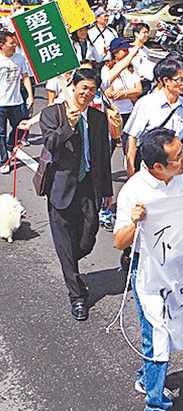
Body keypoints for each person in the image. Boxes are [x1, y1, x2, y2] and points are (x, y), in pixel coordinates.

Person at [113, 125, 183, 411]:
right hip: (149, 271)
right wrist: (135, 223)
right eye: (178, 158)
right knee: (158, 338)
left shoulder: (180, 170)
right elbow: (119, 241)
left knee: (169, 332)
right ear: (157, 166)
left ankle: (146, 378)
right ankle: (156, 408)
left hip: (179, 267)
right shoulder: (134, 191)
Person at [39, 68, 113, 321]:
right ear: (73, 86)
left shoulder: (98, 117)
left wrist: (107, 191)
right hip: (60, 189)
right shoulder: (52, 114)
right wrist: (69, 125)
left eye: (92, 90)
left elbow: (103, 155)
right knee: (64, 245)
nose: (87, 94)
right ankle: (77, 296)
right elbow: (50, 143)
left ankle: (71, 264)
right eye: (84, 88)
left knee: (87, 238)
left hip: (88, 186)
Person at [124, 59, 183, 178]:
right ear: (166, 81)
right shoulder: (146, 103)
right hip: (151, 168)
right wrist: (131, 169)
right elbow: (133, 138)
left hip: (175, 168)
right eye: (179, 79)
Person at [101, 37, 142, 153]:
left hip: (129, 111)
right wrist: (130, 93)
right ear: (115, 52)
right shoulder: (107, 69)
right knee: (109, 146)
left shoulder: (132, 68)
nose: (127, 52)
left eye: (127, 50)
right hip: (114, 113)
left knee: (130, 146)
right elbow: (110, 93)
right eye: (124, 50)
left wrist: (123, 93)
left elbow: (138, 90)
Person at [0, 30, 33, 174]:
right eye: (11, 43)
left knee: (20, 128)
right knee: (0, 133)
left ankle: (9, 145)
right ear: (2, 45)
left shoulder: (19, 58)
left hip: (16, 101)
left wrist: (30, 95)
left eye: (14, 42)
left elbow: (25, 76)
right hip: (1, 104)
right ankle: (4, 160)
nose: (14, 45)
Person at [131, 23, 156, 94]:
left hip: (146, 81)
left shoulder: (146, 49)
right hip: (134, 83)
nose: (147, 35)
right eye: (144, 32)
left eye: (147, 32)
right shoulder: (130, 49)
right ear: (136, 34)